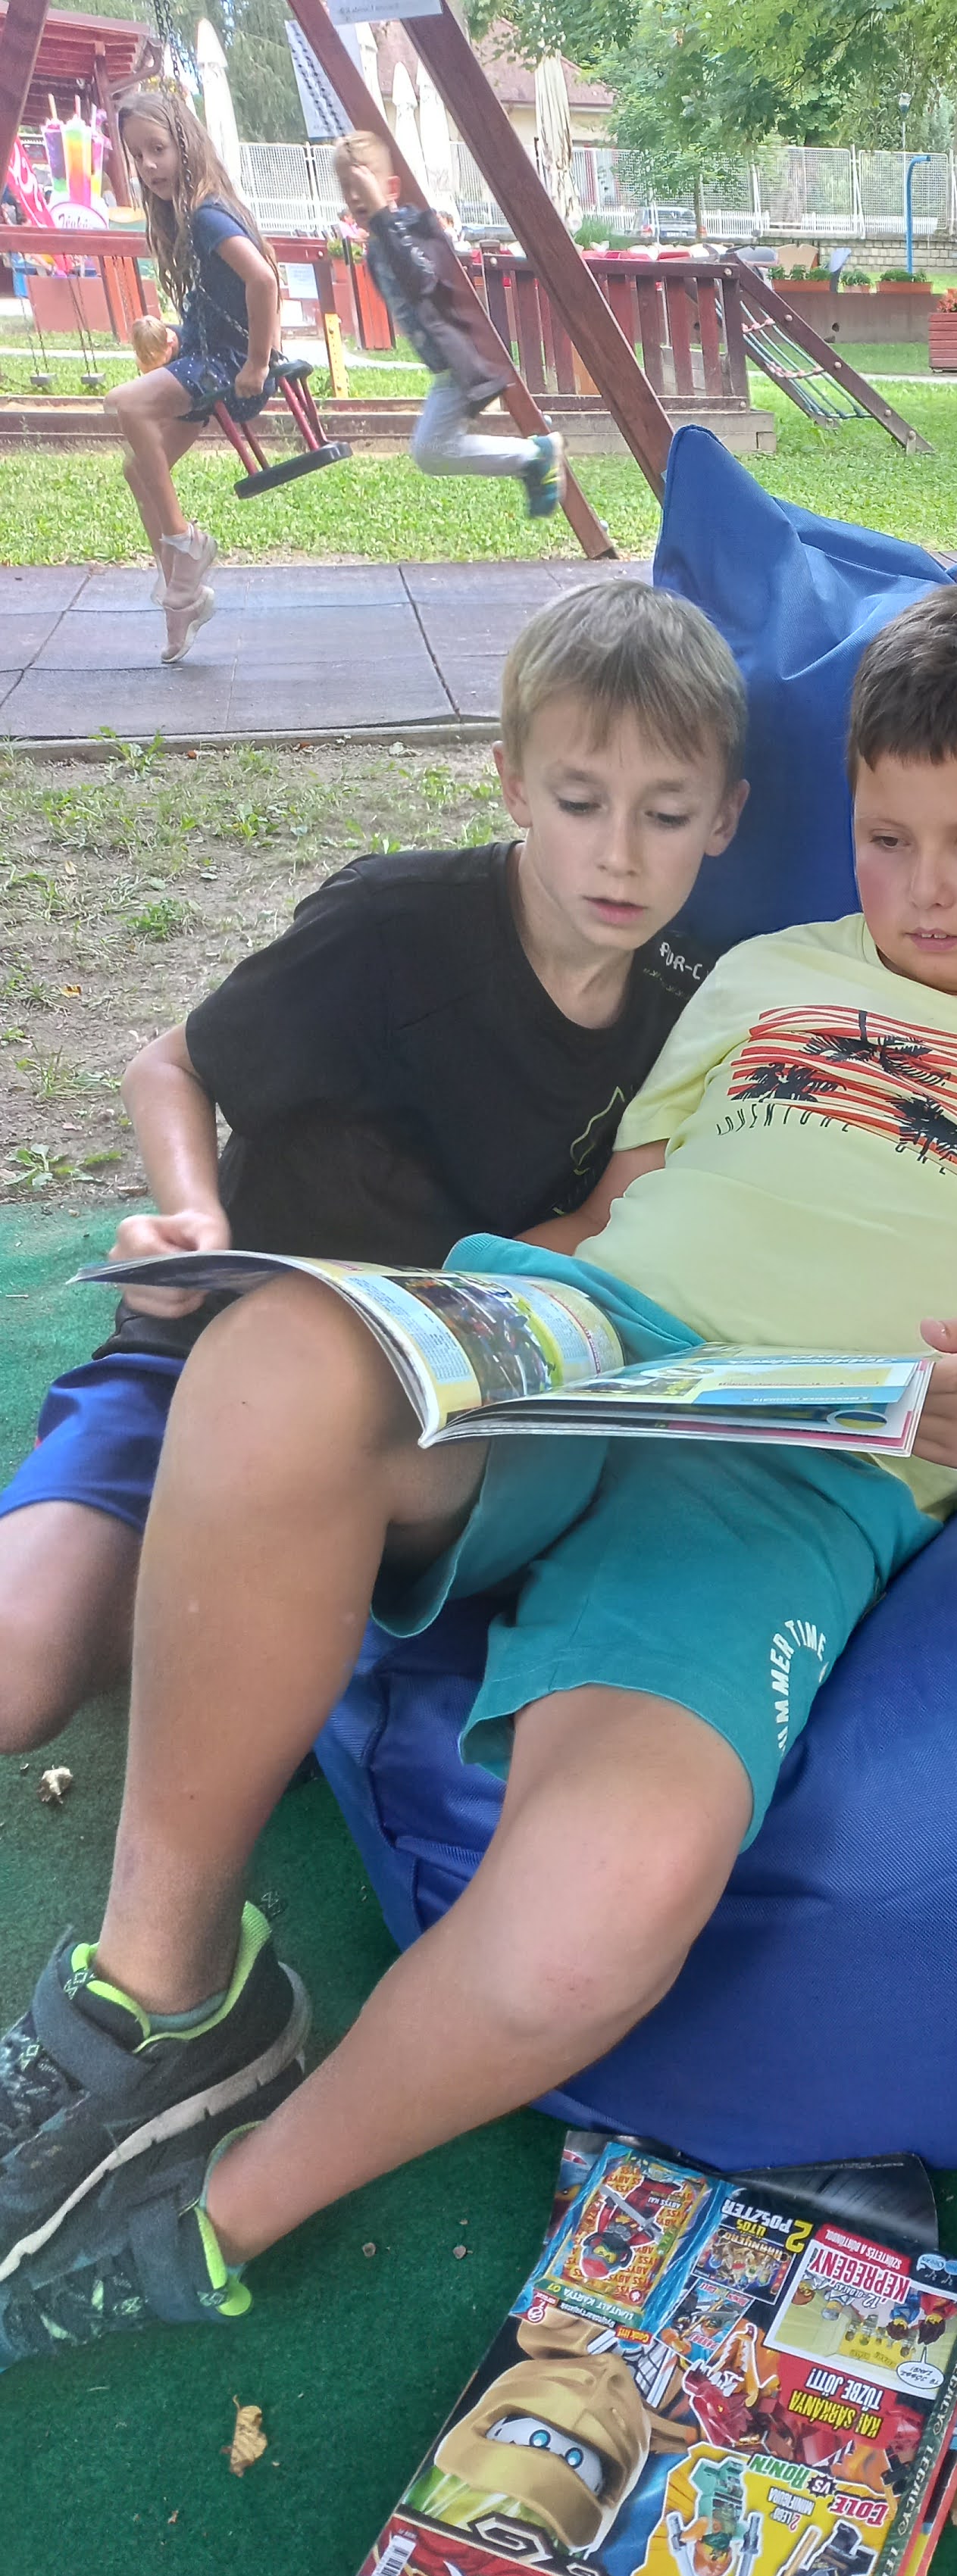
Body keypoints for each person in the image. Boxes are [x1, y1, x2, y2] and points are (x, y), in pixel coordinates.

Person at [0, 575, 957, 2365]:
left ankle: (217, 2210)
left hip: (795, 1473)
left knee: (603, 1909)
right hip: (595, 1338)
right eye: (885, 840)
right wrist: (432, 1310)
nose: (920, 890)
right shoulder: (763, 973)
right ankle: (165, 1988)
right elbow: (606, 1210)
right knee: (278, 1356)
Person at [0, 575, 735, 1762]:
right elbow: (169, 1064)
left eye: (666, 813)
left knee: (236, 1650)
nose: (619, 855)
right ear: (512, 784)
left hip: (424, 1427)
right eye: (579, 801)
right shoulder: (391, 926)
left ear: (723, 819)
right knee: (20, 1677)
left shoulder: (696, 999)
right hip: (198, 1358)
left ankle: (262, 1607)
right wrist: (189, 1221)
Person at [111, 88, 282, 664]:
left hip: (232, 367)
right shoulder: (189, 212)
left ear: (184, 144)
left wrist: (257, 363)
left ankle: (185, 546)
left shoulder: (207, 214)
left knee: (128, 403)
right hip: (209, 353)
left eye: (157, 149)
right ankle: (182, 600)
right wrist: (183, 333)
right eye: (137, 155)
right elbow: (224, 297)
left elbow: (262, 280)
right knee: (139, 470)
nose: (148, 165)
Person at [330, 131, 563, 519]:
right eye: (346, 187)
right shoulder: (379, 244)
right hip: (447, 365)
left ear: (391, 188)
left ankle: (532, 457)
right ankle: (531, 459)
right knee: (433, 449)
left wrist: (384, 218)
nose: (355, 197)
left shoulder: (413, 228)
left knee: (431, 450)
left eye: (363, 182)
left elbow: (422, 278)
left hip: (463, 359)